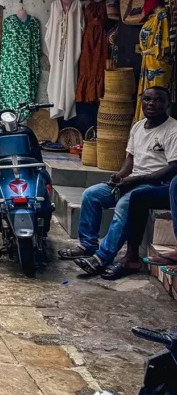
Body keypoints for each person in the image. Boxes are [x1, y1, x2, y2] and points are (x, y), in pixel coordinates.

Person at [59, 87, 177, 278]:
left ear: (167, 104)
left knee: (124, 206)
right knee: (91, 195)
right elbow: (130, 159)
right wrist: (120, 176)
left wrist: (136, 179)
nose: (151, 104)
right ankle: (88, 245)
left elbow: (174, 167)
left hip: (156, 185)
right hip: (133, 180)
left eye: (157, 100)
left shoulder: (173, 130)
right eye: (147, 99)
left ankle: (103, 257)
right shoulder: (138, 126)